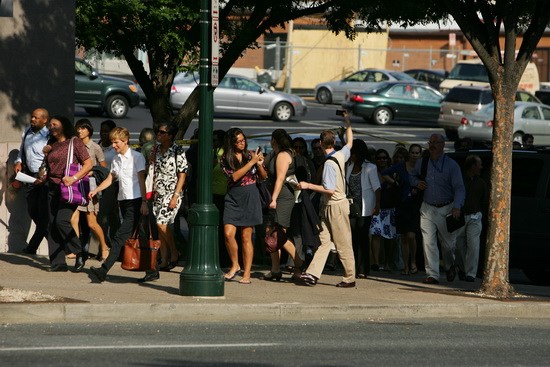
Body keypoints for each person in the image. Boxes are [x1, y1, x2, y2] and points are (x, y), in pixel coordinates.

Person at [298, 111, 356, 288]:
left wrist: (307, 185)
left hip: (334, 205)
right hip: (334, 206)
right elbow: (350, 142)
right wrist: (347, 121)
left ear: (322, 144)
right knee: (324, 241)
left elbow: (329, 190)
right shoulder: (341, 154)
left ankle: (349, 278)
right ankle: (313, 273)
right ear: (334, 143)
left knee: (342, 242)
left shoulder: (330, 164)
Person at [89, 127, 150, 283]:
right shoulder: (116, 159)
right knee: (140, 236)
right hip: (123, 201)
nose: (114, 145)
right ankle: (152, 270)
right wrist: (96, 189)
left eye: (116, 142)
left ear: (125, 141)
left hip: (136, 201)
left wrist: (144, 202)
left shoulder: (137, 157)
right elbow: (111, 178)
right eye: (113, 142)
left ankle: (103, 270)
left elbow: (142, 181)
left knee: (119, 237)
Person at [410, 133, 466, 284]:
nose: (432, 145)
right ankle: (432, 275)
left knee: (448, 245)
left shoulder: (451, 165)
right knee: (428, 242)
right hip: (427, 208)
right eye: (430, 142)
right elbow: (412, 176)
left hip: (446, 208)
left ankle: (450, 266)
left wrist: (456, 206)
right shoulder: (422, 162)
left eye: (436, 142)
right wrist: (416, 183)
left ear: (442, 145)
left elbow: (460, 188)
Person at [42, 115, 93, 272]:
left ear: (63, 126)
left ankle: (80, 251)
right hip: (52, 186)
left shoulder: (74, 142)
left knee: (61, 221)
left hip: (68, 188)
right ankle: (58, 262)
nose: (52, 127)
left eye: (55, 124)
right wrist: (46, 154)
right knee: (52, 225)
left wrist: (74, 178)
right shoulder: (52, 144)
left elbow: (88, 163)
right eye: (50, 125)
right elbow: (49, 166)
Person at [220, 128, 267, 284]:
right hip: (233, 197)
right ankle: (235, 264)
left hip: (249, 195)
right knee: (228, 233)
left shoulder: (250, 155)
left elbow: (264, 177)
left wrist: (259, 164)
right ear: (231, 143)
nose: (242, 143)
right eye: (238, 141)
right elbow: (234, 176)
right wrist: (252, 162)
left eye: (243, 140)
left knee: (246, 236)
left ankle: (247, 273)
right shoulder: (225, 158)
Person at [263, 129, 305, 281]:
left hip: (282, 197)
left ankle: (299, 263)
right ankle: (275, 270)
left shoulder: (282, 155)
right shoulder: (276, 153)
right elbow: (265, 169)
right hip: (277, 195)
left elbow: (280, 179)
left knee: (278, 235)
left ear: (275, 140)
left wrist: (273, 199)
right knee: (271, 233)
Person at [150, 122, 188, 272]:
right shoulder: (157, 149)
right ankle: (164, 259)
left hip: (172, 192)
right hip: (158, 192)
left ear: (170, 136)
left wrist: (175, 196)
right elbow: (153, 169)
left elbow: (182, 175)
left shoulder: (177, 150)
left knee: (161, 223)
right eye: (157, 132)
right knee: (160, 228)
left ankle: (174, 252)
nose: (158, 135)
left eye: (162, 132)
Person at [70, 119, 109, 261]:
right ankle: (76, 249)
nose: (79, 131)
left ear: (89, 130)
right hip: (75, 185)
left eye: (82, 128)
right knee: (73, 219)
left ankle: (104, 246)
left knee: (91, 223)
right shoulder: (74, 145)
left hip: (90, 187)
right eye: (78, 128)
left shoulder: (95, 147)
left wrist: (92, 171)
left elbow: (104, 169)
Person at [14, 108, 50, 255]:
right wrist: (18, 161)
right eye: (32, 117)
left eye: (36, 118)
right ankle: (57, 243)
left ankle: (32, 247)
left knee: (42, 213)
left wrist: (44, 176)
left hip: (43, 176)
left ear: (44, 120)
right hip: (29, 175)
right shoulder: (28, 131)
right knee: (32, 210)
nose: (32, 119)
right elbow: (21, 150)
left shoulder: (48, 135)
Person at [382, 145, 423, 275]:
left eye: (417, 153)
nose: (415, 155)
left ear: (420, 154)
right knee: (404, 236)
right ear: (409, 154)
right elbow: (384, 173)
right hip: (402, 203)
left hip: (415, 204)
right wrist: (395, 183)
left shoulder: (422, 167)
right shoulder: (401, 166)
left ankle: (413, 262)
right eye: (412, 152)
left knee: (411, 235)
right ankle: (406, 266)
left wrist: (419, 187)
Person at [345, 139, 380, 278]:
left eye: (353, 153)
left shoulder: (370, 167)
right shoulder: (348, 166)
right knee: (352, 237)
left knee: (363, 237)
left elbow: (377, 188)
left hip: (366, 206)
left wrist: (377, 205)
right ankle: (353, 267)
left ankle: (363, 269)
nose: (351, 156)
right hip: (351, 206)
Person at [456, 155, 487, 282]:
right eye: (479, 164)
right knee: (459, 245)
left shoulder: (481, 183)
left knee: (473, 245)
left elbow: (484, 201)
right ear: (473, 166)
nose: (481, 167)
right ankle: (463, 269)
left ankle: (471, 274)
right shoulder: (459, 181)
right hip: (459, 217)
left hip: (475, 216)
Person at [370, 148, 398, 272]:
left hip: (390, 207)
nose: (382, 160)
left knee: (389, 237)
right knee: (375, 233)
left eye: (384, 157)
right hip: (376, 207)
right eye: (379, 158)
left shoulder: (393, 172)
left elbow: (397, 186)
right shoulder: (372, 172)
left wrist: (386, 177)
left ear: (388, 159)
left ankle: (387, 262)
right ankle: (376, 262)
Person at [97, 120, 120, 246]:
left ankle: (110, 244)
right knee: (109, 216)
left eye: (106, 131)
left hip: (112, 185)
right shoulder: (97, 146)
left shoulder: (116, 149)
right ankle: (107, 244)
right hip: (97, 185)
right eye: (102, 131)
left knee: (106, 216)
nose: (103, 134)